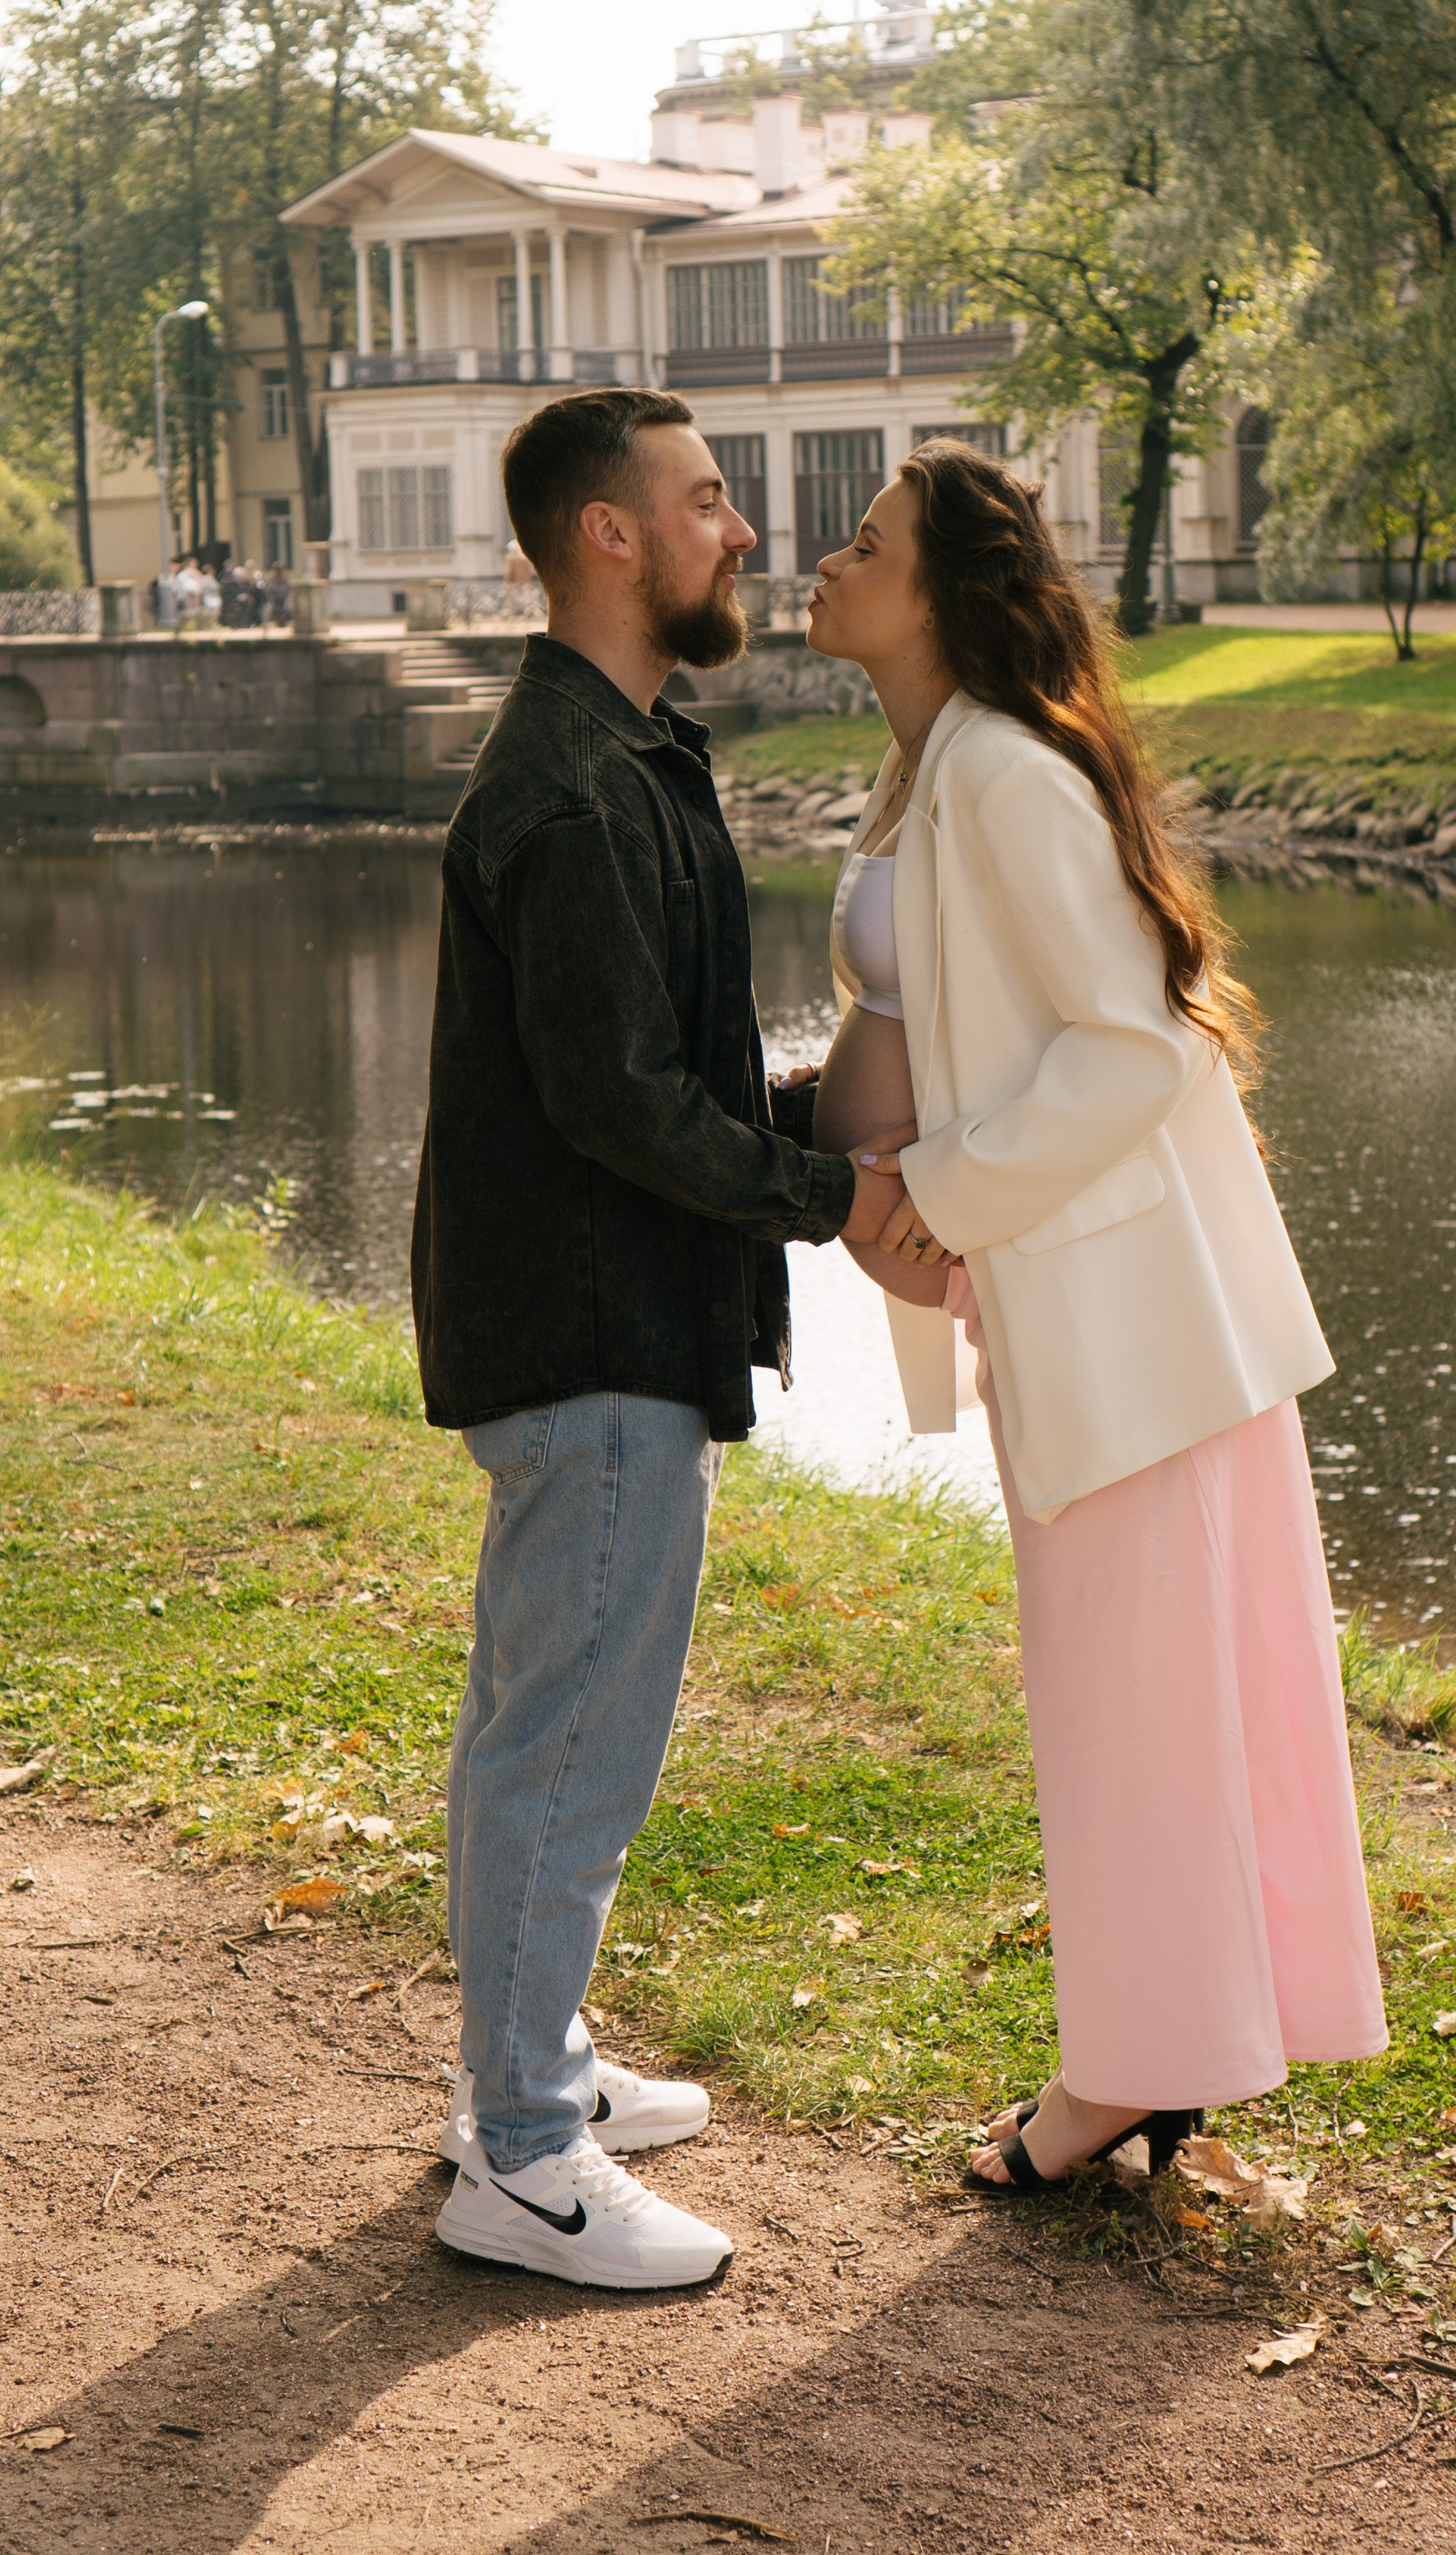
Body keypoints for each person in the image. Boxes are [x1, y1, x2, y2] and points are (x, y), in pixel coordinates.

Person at [805, 439, 1387, 2190]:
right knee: (1143, 1698)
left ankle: (1124, 2075)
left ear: (941, 589)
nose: (825, 562)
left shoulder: (999, 772)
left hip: (1129, 1317)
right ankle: (1175, 2042)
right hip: (1068, 1301)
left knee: (1132, 1705)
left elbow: (1128, 1040)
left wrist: (947, 1199)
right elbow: (949, 1020)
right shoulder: (931, 772)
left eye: (866, 541)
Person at [412, 386, 909, 2288]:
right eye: (705, 500)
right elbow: (619, 1103)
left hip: (601, 1318)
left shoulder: (618, 756)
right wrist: (836, 1198)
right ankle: (525, 2161)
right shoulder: (563, 785)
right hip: (590, 1333)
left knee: (541, 1724)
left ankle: (517, 2083)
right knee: (565, 1742)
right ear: (608, 536)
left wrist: (815, 1117)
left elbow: (652, 1075)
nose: (739, 529)